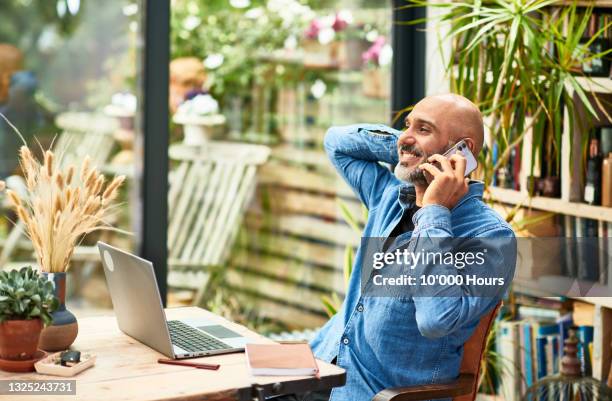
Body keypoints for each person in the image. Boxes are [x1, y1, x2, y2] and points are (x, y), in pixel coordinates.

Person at [273, 94, 516, 401]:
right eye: (407, 125)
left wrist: (435, 211)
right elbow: (336, 142)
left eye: (424, 129)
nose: (407, 135)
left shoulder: (491, 238)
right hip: (317, 371)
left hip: (372, 395)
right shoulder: (388, 197)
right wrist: (409, 149)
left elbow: (435, 320)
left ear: (462, 151)